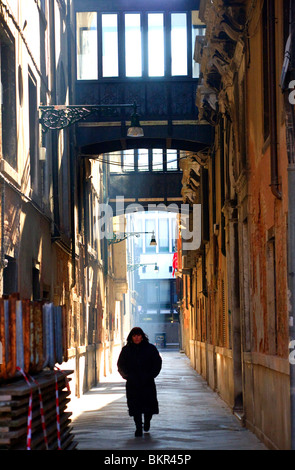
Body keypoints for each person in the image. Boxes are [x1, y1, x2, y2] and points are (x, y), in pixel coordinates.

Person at [117, 327, 162, 437]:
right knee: (135, 406)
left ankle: (147, 421)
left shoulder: (150, 349)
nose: (136, 337)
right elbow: (121, 364)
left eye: (138, 335)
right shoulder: (126, 350)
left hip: (147, 382)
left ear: (142, 336)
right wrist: (126, 376)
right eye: (134, 335)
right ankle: (138, 427)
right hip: (133, 383)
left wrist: (151, 375)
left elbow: (157, 363)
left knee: (148, 406)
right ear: (131, 337)